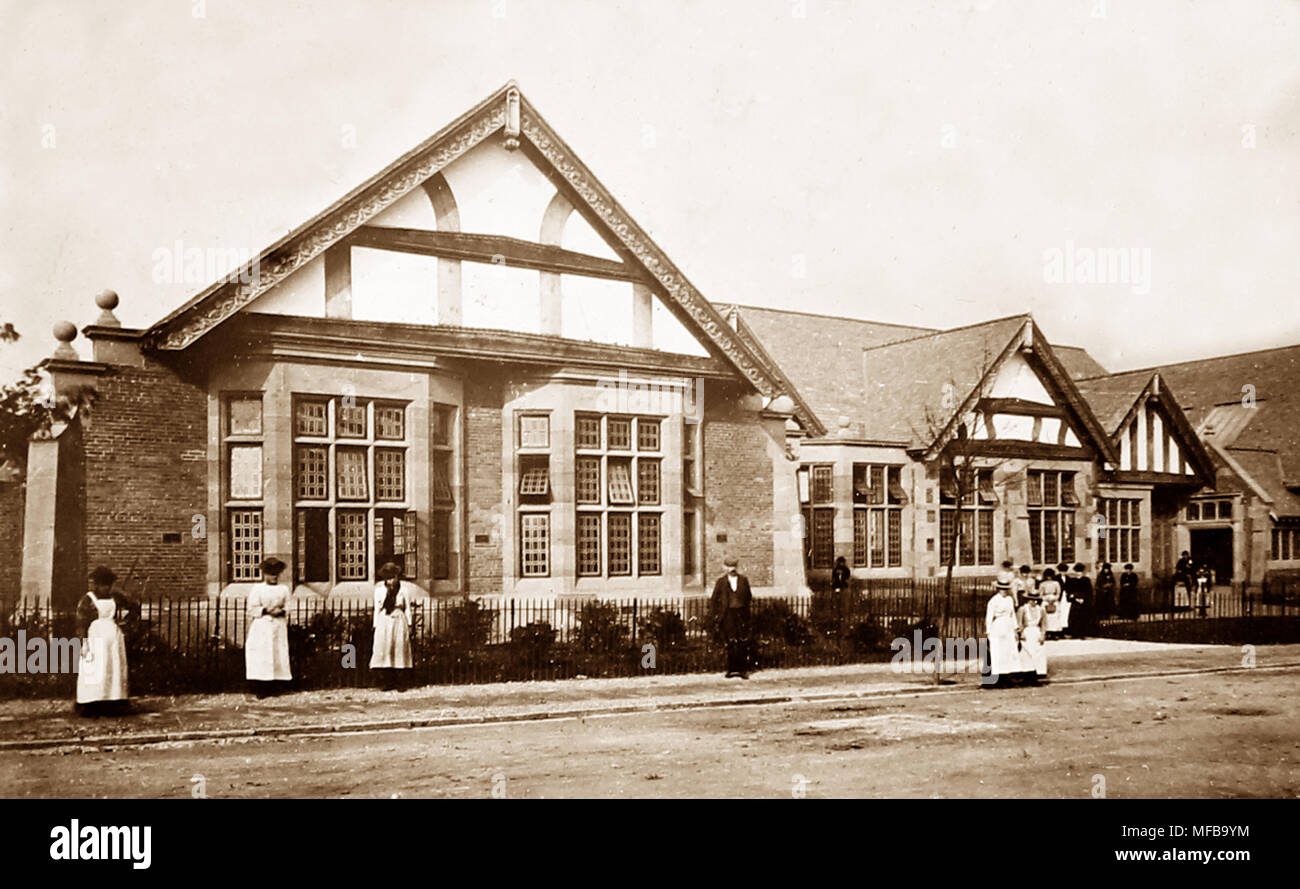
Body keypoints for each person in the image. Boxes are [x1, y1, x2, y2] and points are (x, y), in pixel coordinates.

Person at [75, 566, 132, 716]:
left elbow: (133, 607)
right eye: (102, 584)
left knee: (112, 669)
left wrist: (125, 623)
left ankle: (113, 701)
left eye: (108, 585)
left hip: (113, 639)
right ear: (96, 584)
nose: (105, 588)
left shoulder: (115, 598)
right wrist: (84, 642)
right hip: (95, 638)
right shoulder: (88, 600)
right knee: (95, 669)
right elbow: (81, 622)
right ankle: (92, 704)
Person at [245, 557, 292, 696]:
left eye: (276, 573)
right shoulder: (258, 589)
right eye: (271, 574)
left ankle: (276, 686)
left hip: (278, 625)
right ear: (265, 574)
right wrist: (266, 610)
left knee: (277, 653)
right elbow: (251, 608)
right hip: (262, 626)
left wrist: (281, 611)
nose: (274, 577)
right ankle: (260, 687)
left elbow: (289, 606)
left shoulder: (284, 589)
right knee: (262, 654)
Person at [370, 561, 414, 688]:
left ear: (397, 577)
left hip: (399, 620)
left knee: (399, 649)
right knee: (385, 649)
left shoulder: (403, 590)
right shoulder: (379, 591)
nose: (390, 581)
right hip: (385, 620)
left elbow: (407, 609)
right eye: (388, 578)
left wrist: (409, 624)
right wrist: (375, 625)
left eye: (393, 577)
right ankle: (386, 681)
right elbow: (377, 609)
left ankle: (400, 682)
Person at [711, 556, 753, 679]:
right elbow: (714, 599)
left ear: (737, 567)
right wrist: (716, 615)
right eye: (729, 567)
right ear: (725, 567)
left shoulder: (743, 580)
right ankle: (731, 669)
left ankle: (742, 670)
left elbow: (748, 596)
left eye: (734, 566)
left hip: (740, 614)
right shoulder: (721, 582)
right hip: (727, 614)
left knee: (742, 642)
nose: (732, 569)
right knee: (730, 642)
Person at [982, 580, 1018, 687]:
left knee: (1008, 652)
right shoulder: (993, 601)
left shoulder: (1010, 599)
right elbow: (989, 617)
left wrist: (1016, 629)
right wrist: (988, 632)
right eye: (1002, 589)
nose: (1004, 591)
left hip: (1008, 626)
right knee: (998, 653)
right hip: (998, 627)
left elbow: (1013, 614)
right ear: (998, 589)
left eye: (1006, 589)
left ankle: (1007, 677)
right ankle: (998, 678)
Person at [1016, 587, 1048, 682]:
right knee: (1026, 653)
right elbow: (1019, 622)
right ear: (1028, 599)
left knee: (1038, 652)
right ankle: (1027, 673)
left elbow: (1044, 624)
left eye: (1035, 600)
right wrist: (1021, 633)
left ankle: (1038, 672)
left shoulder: (1041, 609)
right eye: (1031, 600)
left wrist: (1043, 634)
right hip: (1027, 632)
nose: (1033, 602)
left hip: (1036, 632)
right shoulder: (1023, 609)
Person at [1068, 563, 1096, 637]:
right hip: (1075, 601)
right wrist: (1075, 598)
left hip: (1084, 601)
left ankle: (1083, 633)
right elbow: (1070, 592)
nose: (1078, 573)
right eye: (1077, 572)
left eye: (1080, 572)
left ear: (1082, 572)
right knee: (1074, 617)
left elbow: (1088, 591)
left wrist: (1083, 599)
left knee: (1083, 617)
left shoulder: (1086, 580)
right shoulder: (1072, 581)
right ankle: (1075, 633)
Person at [1040, 567, 1068, 639]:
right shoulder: (1042, 584)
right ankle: (1047, 632)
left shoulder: (1056, 583)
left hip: (1054, 600)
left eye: (1050, 576)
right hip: (1046, 600)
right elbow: (1041, 594)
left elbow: (1058, 593)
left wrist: (1054, 599)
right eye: (1047, 576)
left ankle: (1054, 633)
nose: (1049, 577)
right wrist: (1046, 599)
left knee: (1054, 617)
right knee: (1046, 617)